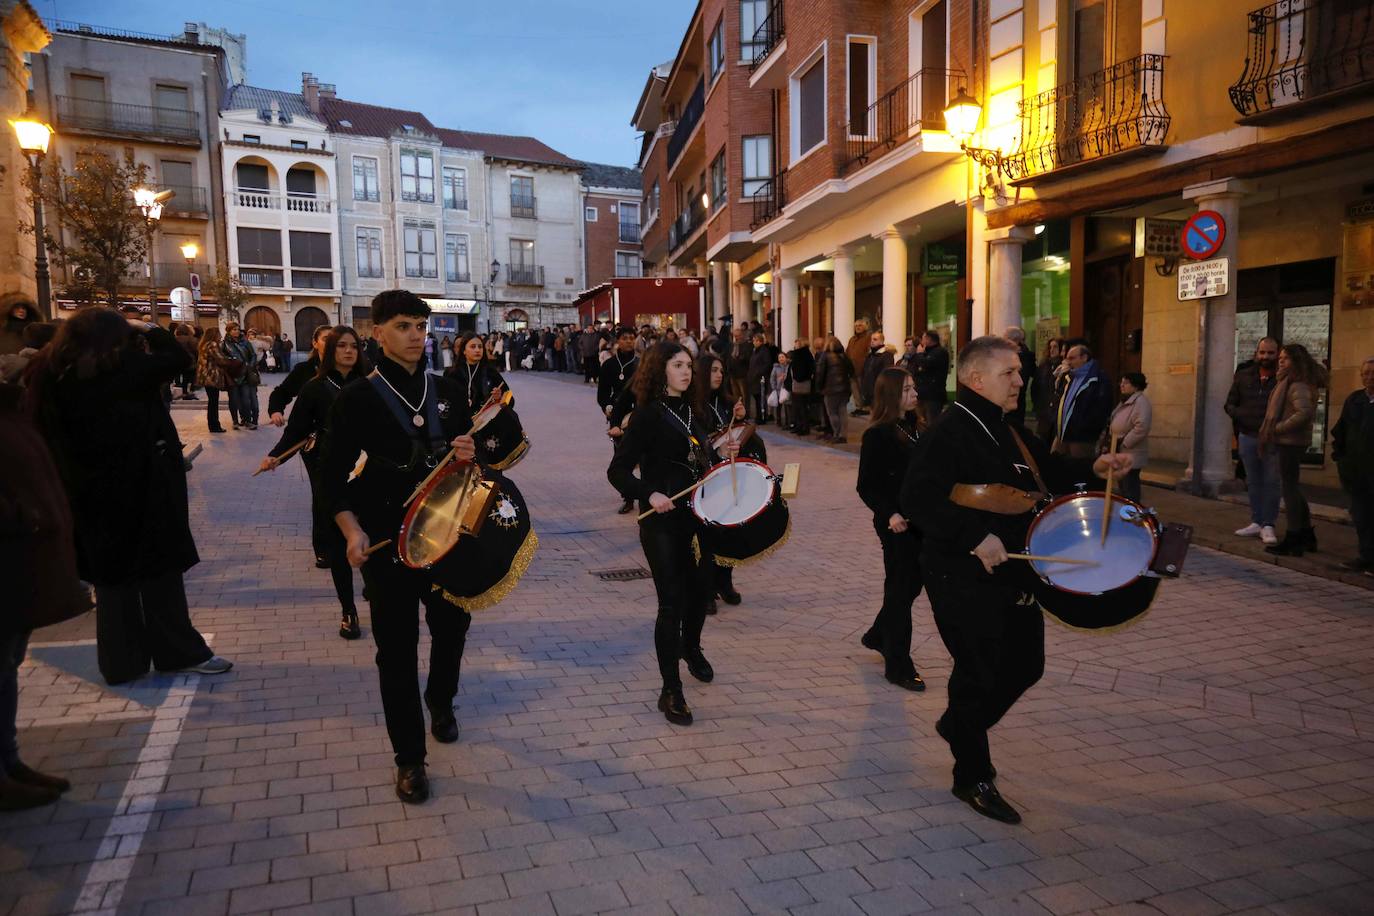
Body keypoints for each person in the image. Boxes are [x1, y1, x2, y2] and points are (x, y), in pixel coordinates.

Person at [901, 335, 1129, 824]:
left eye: (1019, 373)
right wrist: (974, 536)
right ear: (975, 378)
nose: (1021, 381)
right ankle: (972, 774)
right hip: (960, 573)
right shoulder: (949, 431)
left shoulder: (1007, 427)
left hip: (1016, 569)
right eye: (1009, 373)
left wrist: (1094, 465)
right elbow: (918, 499)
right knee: (978, 669)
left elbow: (1044, 469)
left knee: (1026, 664)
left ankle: (960, 726)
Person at [318, 290, 479, 804]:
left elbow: (472, 470)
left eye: (421, 325)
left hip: (447, 539)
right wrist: (351, 531)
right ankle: (409, 758)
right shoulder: (357, 399)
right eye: (405, 325)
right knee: (396, 651)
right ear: (378, 332)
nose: (416, 335)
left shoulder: (449, 390)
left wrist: (469, 453)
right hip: (387, 543)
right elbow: (331, 478)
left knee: (453, 629)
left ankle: (442, 699)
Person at [25, 309, 232, 686]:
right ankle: (177, 652)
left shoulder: (54, 374)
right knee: (160, 574)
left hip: (90, 495)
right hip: (143, 488)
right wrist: (150, 327)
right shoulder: (122, 369)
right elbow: (176, 357)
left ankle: (121, 663)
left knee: (113, 582)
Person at [608, 342, 735, 726]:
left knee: (700, 596)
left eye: (688, 365)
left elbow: (697, 459)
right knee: (671, 604)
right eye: (677, 365)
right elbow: (617, 471)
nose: (686, 371)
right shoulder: (646, 416)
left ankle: (690, 647)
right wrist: (649, 493)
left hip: (698, 516)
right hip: (662, 523)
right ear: (659, 370)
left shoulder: (693, 410)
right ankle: (670, 690)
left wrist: (720, 453)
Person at [1, 381, 85, 810]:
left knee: (8, 664)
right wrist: (23, 514)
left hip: (20, 562)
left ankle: (9, 762)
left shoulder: (12, 403)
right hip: (13, 547)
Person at [259, 326, 371, 639]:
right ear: (329, 350)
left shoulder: (370, 384)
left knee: (368, 532)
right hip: (329, 469)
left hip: (367, 470)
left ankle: (373, 586)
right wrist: (275, 456)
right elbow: (295, 431)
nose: (349, 351)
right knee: (337, 541)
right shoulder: (315, 387)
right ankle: (348, 609)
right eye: (342, 346)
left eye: (354, 346)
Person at [856, 367, 926, 691]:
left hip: (920, 522)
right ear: (891, 394)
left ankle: (878, 635)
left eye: (914, 388)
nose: (914, 394)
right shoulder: (878, 434)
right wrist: (891, 514)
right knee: (900, 590)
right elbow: (866, 486)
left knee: (909, 588)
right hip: (895, 524)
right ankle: (898, 664)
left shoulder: (916, 426)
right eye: (907, 389)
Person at [692, 351, 757, 610]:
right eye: (713, 370)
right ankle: (705, 589)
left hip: (729, 473)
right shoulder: (694, 405)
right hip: (706, 477)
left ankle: (724, 582)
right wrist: (714, 447)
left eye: (721, 371)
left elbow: (739, 430)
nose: (719, 375)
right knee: (708, 535)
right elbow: (695, 441)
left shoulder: (726, 401)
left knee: (729, 531)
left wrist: (739, 418)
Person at [1262, 343, 1327, 557]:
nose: (1281, 361)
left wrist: (1277, 428)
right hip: (1289, 441)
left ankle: (1294, 536)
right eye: (1280, 357)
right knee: (1292, 487)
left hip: (1290, 442)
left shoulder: (1297, 383)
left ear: (1297, 361)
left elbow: (1304, 413)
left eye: (1286, 358)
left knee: (1289, 489)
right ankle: (1306, 534)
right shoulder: (1288, 381)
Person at [1226, 337, 1282, 545]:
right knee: (1253, 481)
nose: (1265, 357)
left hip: (1272, 439)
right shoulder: (1243, 376)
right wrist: (1242, 415)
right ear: (1256, 353)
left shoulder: (1283, 378)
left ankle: (1268, 524)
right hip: (1247, 436)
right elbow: (1229, 403)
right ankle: (1256, 521)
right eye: (1262, 352)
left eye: (1270, 353)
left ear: (1277, 354)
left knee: (1272, 482)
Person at [1331, 357, 1374, 575]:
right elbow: (1341, 430)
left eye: (1373, 373)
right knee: (1361, 515)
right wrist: (1341, 457)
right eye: (1365, 373)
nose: (1369, 377)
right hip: (1355, 469)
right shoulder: (1355, 400)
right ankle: (1365, 556)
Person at [598, 326, 641, 514]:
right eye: (625, 338)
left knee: (643, 457)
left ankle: (646, 496)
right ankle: (628, 497)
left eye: (632, 338)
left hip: (638, 416)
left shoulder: (640, 364)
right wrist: (607, 407)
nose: (629, 341)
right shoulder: (609, 365)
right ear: (617, 341)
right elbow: (602, 393)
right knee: (622, 458)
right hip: (616, 416)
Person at [1053, 343, 1112, 459]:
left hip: (1082, 436)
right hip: (1062, 432)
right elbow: (1059, 399)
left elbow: (1102, 409)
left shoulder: (1098, 379)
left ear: (1084, 358)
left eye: (1072, 358)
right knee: (1055, 462)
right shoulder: (1069, 376)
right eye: (1067, 358)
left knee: (1079, 469)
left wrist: (1086, 428)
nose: (1068, 362)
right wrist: (1059, 378)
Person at [268, 325, 331, 427]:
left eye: (334, 340)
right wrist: (276, 411)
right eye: (326, 339)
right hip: (311, 430)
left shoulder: (348, 369)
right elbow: (282, 392)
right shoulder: (305, 369)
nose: (331, 343)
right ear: (315, 343)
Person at [1105, 372, 1152, 504]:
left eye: (1126, 383)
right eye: (1122, 382)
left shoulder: (1141, 402)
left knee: (1130, 487)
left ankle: (1132, 512)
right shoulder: (1126, 400)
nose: (1122, 385)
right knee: (1123, 486)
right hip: (1120, 451)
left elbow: (1141, 427)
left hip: (1131, 452)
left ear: (1136, 386)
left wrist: (1124, 442)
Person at [445, 331, 507, 415]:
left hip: (487, 422)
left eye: (480, 347)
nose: (477, 350)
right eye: (473, 347)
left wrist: (499, 397)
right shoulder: (452, 373)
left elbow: (510, 399)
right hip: (462, 422)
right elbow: (446, 403)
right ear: (464, 351)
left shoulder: (491, 371)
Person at [221, 322, 258, 430]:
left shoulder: (245, 342)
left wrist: (250, 366)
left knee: (246, 400)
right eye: (234, 329)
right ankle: (235, 421)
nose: (237, 331)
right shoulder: (224, 344)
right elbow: (222, 358)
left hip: (245, 373)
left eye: (237, 329)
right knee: (233, 399)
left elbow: (253, 355)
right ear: (228, 331)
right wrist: (230, 363)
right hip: (232, 375)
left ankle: (247, 420)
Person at [816, 338, 853, 444]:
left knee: (832, 412)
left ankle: (836, 433)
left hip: (830, 389)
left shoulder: (825, 356)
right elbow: (852, 370)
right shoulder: (844, 356)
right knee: (843, 411)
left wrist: (819, 387)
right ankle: (843, 435)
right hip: (844, 389)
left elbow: (820, 373)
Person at [196, 327, 232, 434]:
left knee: (212, 401)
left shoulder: (203, 344)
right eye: (219, 334)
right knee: (213, 402)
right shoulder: (212, 344)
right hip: (211, 376)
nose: (220, 336)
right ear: (214, 335)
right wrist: (230, 360)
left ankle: (213, 424)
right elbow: (220, 359)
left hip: (205, 376)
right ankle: (214, 425)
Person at [912, 330, 951, 428]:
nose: (922, 341)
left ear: (929, 339)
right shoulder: (926, 351)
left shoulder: (940, 352)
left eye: (924, 338)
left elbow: (926, 364)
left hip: (933, 396)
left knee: (932, 424)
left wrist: (919, 354)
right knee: (920, 423)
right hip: (921, 393)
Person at [1004, 327, 1036, 426]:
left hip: (1014, 401)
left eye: (1005, 337)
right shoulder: (1026, 355)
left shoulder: (1024, 357)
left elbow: (1022, 380)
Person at [1032, 337, 1063, 442]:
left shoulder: (1064, 367)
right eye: (1050, 347)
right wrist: (1037, 407)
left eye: (1055, 347)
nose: (1052, 350)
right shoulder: (1044, 366)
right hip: (1044, 412)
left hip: (1057, 414)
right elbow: (1036, 387)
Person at [860, 331, 896, 413]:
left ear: (881, 341)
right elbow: (865, 371)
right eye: (871, 339)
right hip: (870, 389)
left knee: (880, 413)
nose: (872, 341)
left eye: (875, 339)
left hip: (879, 389)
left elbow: (887, 372)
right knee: (873, 412)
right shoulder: (870, 355)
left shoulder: (886, 355)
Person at [787, 336, 815, 435]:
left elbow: (807, 369)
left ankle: (804, 427)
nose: (795, 345)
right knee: (797, 407)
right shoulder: (799, 354)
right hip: (797, 382)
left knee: (802, 407)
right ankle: (799, 425)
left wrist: (800, 377)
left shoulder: (804, 354)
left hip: (802, 383)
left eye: (796, 343)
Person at [746, 331, 776, 423]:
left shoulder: (764, 351)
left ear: (760, 341)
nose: (754, 342)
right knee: (757, 398)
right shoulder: (755, 351)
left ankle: (762, 417)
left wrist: (758, 373)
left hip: (760, 379)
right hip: (754, 379)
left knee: (761, 398)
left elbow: (767, 364)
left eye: (755, 341)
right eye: (754, 340)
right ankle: (759, 416)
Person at [846, 319, 872, 415]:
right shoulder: (852, 339)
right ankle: (858, 406)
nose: (857, 327)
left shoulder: (868, 338)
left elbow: (868, 353)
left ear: (865, 327)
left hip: (862, 369)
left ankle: (865, 407)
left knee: (862, 389)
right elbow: (847, 352)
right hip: (852, 369)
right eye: (856, 326)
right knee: (855, 389)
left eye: (860, 325)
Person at [726, 327, 752, 404]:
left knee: (744, 395)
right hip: (733, 373)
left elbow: (748, 357)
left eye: (738, 335)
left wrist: (740, 358)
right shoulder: (732, 345)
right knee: (735, 395)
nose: (736, 337)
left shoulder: (747, 345)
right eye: (735, 336)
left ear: (742, 335)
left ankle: (746, 412)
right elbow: (728, 357)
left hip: (742, 374)